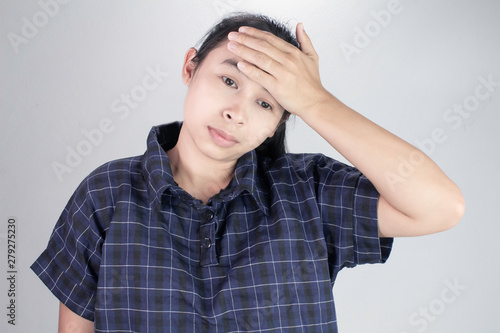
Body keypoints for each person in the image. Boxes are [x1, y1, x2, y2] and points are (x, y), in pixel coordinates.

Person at [31, 12, 464, 333]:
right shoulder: (105, 196)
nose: (237, 113)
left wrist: (314, 101)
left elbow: (441, 207)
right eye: (230, 81)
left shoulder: (307, 192)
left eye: (266, 103)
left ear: (279, 120)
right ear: (190, 67)